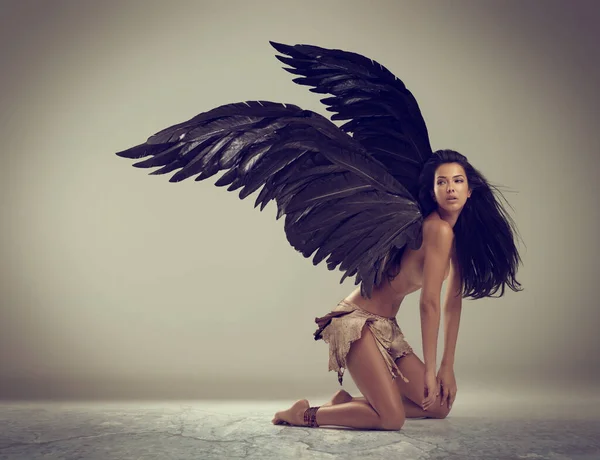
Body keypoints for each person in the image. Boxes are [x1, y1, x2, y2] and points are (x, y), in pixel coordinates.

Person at [272, 149, 523, 430]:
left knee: (439, 406)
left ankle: (346, 403)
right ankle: (303, 415)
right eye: (442, 182)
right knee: (392, 420)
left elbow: (452, 302)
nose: (450, 188)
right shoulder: (437, 230)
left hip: (386, 327)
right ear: (432, 191)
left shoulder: (456, 237)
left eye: (458, 181)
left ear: (469, 191)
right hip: (356, 323)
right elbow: (429, 303)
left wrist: (447, 367)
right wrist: (429, 371)